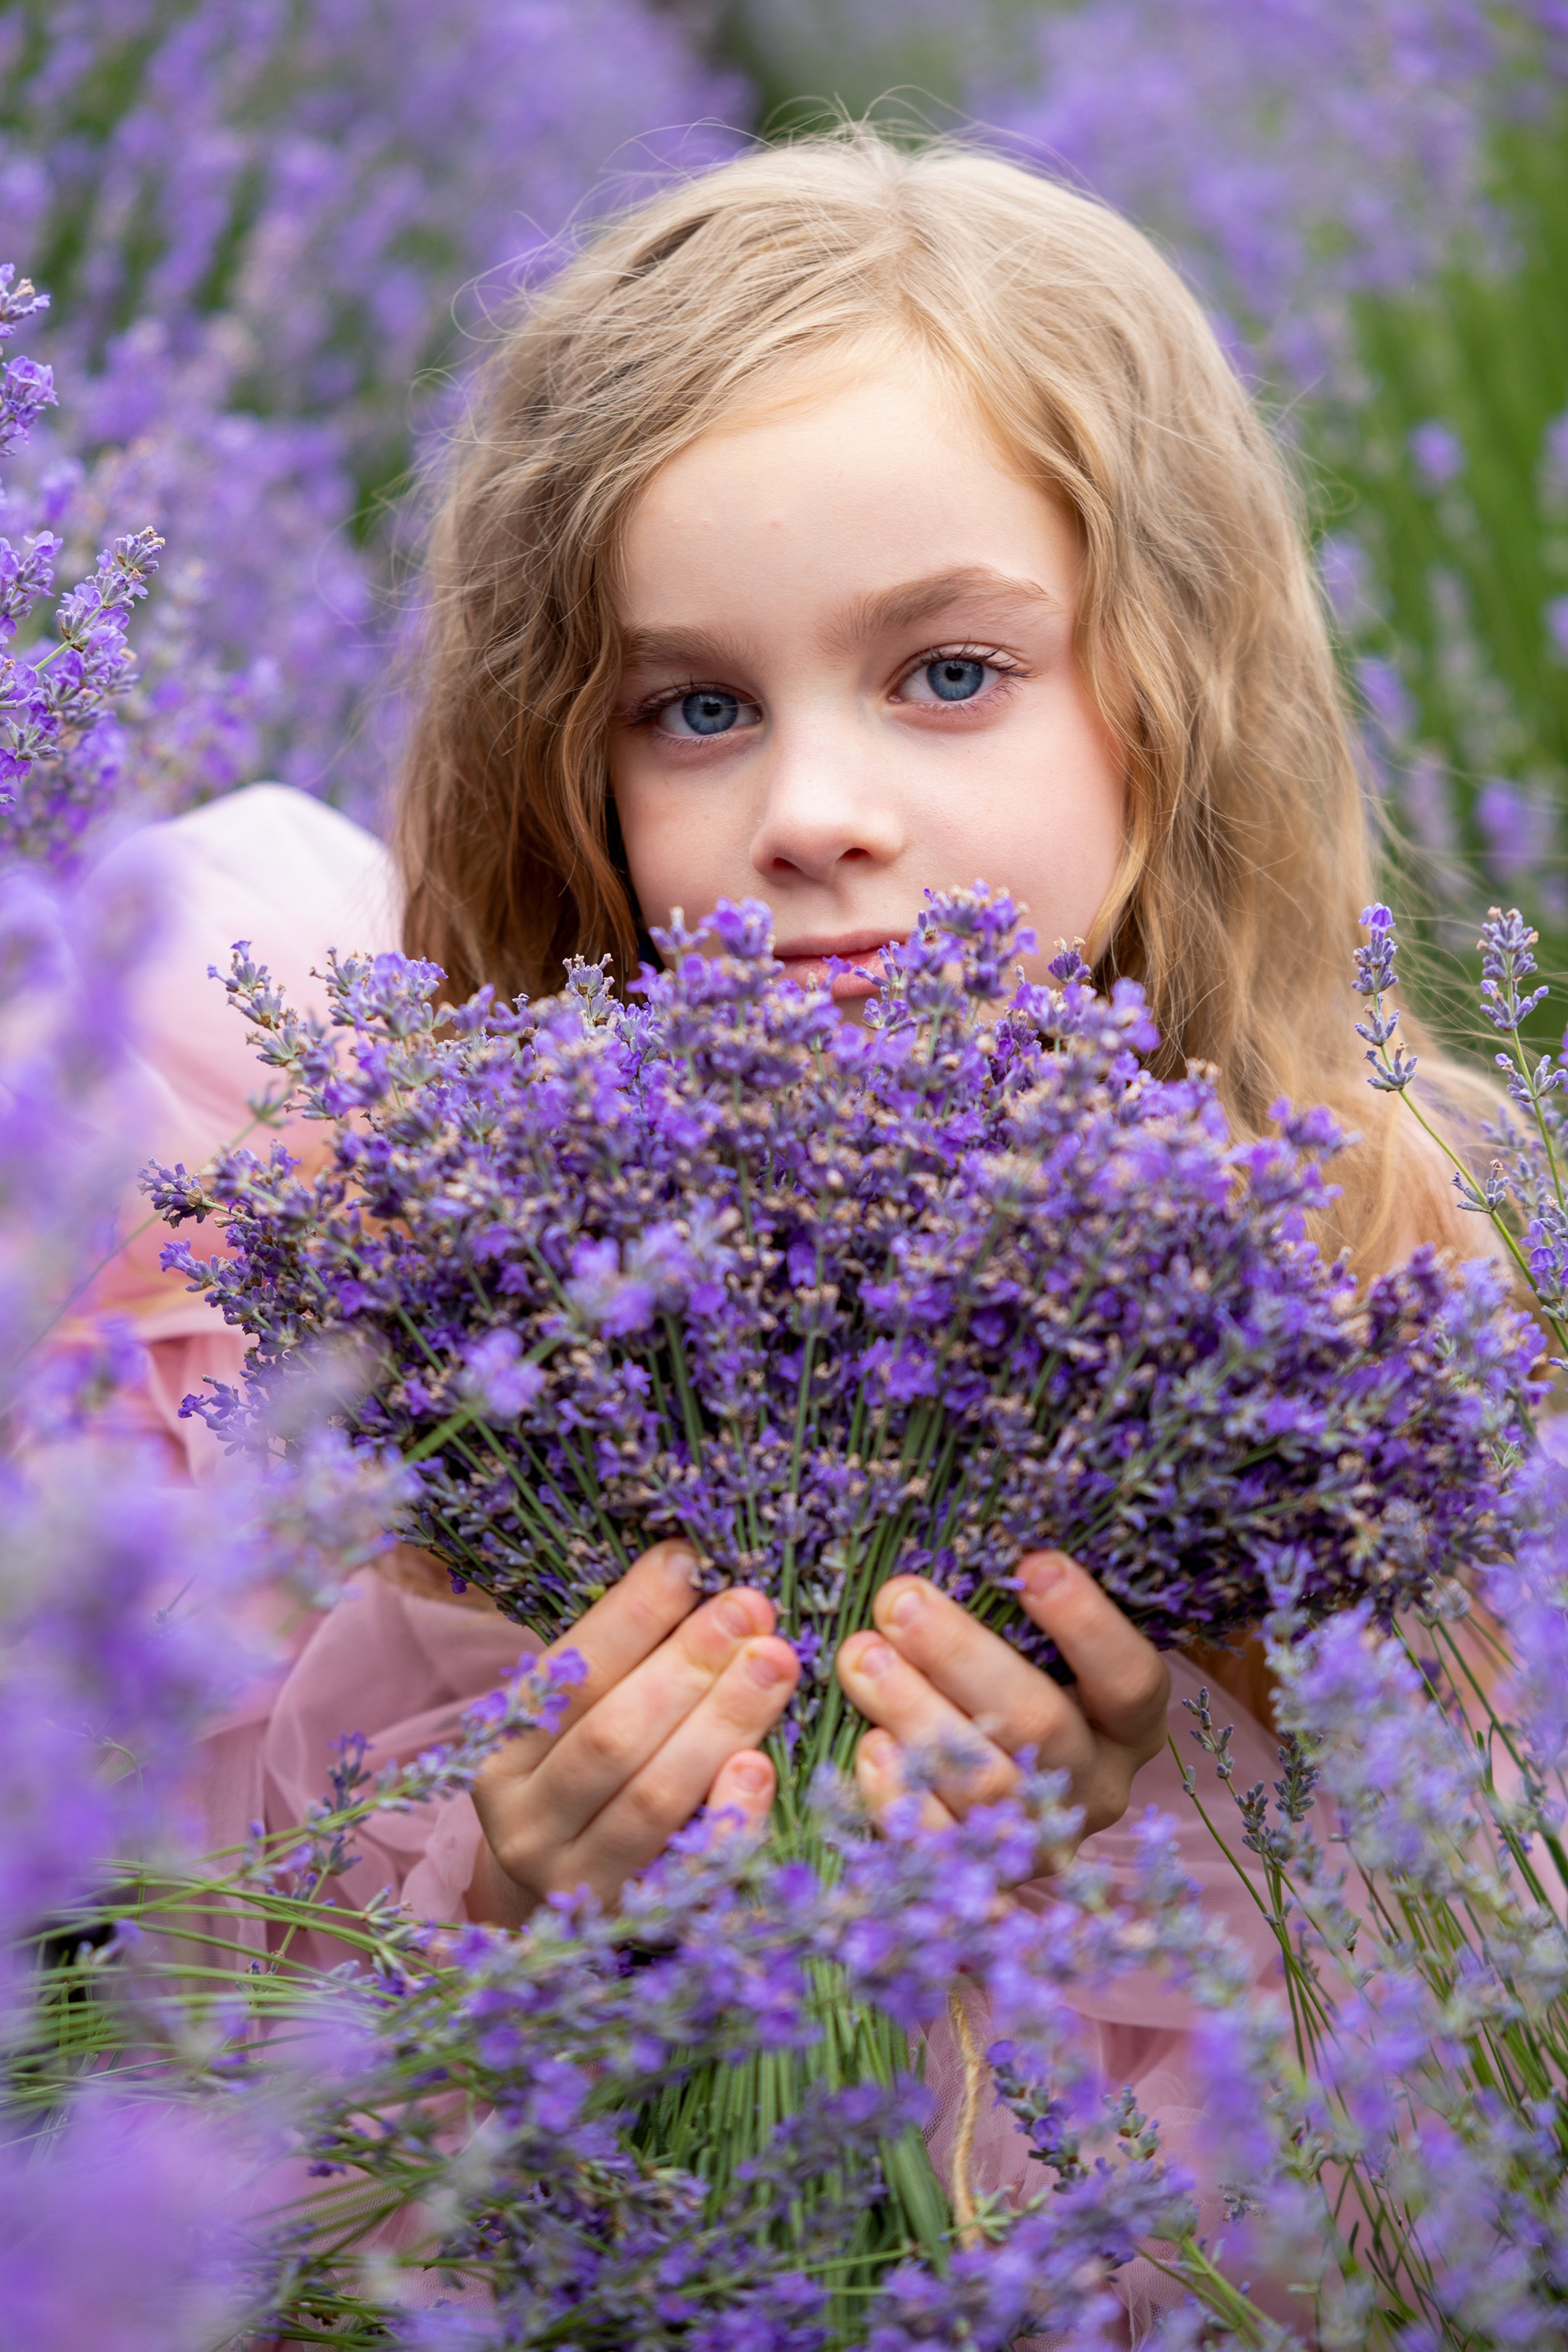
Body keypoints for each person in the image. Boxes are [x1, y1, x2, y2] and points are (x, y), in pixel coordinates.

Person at [97, 129, 1490, 2340]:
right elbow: (240, 2180)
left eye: (949, 672)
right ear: (572, 768)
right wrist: (539, 1910)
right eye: (698, 708)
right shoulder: (485, 1387)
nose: (814, 812)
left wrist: (1113, 1861)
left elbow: (1458, 2142)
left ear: (1178, 689)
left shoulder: (1396, 1316)